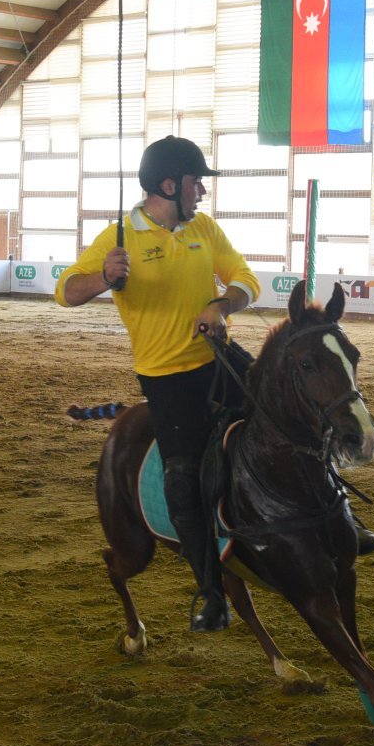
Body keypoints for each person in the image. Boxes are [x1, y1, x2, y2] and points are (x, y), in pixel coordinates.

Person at [52, 137, 256, 632]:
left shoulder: (203, 228)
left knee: (293, 415)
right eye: (195, 181)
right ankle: (210, 591)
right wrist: (104, 276)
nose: (202, 190)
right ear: (170, 185)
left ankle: (337, 518)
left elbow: (246, 279)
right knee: (181, 476)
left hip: (219, 359)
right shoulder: (119, 237)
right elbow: (65, 292)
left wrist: (220, 305)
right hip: (167, 376)